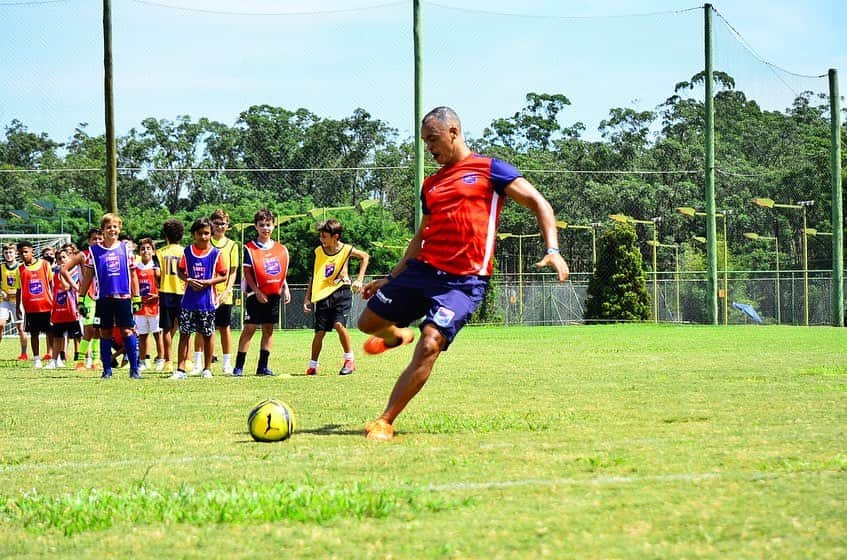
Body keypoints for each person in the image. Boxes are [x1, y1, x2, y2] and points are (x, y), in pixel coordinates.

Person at [357, 106, 570, 442]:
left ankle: (385, 420)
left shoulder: (491, 170)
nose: (429, 147)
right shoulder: (432, 185)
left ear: (453, 131)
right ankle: (396, 336)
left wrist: (553, 249)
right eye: (425, 142)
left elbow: (539, 203)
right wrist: (393, 276)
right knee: (367, 323)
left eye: (433, 139)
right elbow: (421, 235)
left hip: (463, 282)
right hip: (422, 271)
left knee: (430, 342)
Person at [77, 213, 142, 379]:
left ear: (119, 229)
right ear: (103, 230)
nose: (112, 230)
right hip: (103, 298)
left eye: (115, 227)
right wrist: (81, 298)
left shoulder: (126, 249)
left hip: (123, 297)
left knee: (127, 331)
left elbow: (133, 275)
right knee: (105, 332)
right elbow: (87, 276)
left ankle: (134, 370)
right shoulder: (94, 251)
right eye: (108, 227)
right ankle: (106, 370)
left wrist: (137, 297)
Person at [303, 219, 370, 376]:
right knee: (319, 332)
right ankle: (312, 365)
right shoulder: (319, 252)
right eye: (320, 236)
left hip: (342, 291)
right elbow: (316, 275)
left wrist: (359, 279)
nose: (322, 239)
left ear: (336, 236)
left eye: (324, 236)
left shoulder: (346, 250)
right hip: (323, 294)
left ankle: (349, 361)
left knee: (339, 325)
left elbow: (365, 257)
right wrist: (308, 297)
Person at [232, 208, 291, 377]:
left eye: (269, 225)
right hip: (255, 295)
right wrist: (257, 291)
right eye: (262, 225)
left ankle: (262, 367)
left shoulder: (281, 249)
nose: (265, 228)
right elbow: (247, 273)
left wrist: (285, 287)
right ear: (256, 227)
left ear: (274, 226)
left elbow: (281, 272)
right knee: (249, 328)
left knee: (268, 329)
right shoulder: (250, 248)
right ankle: (239, 367)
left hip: (274, 294)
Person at [169, 218, 227, 380]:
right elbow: (180, 271)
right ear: (194, 234)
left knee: (208, 334)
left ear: (211, 234)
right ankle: (181, 369)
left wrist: (208, 282)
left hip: (207, 302)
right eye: (200, 233)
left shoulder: (216, 254)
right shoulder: (187, 252)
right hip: (188, 301)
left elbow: (223, 275)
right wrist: (187, 280)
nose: (203, 237)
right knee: (185, 334)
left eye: (206, 233)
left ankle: (207, 368)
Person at [190, 208, 239, 375]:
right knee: (201, 328)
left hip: (223, 293)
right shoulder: (205, 243)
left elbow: (232, 271)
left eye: (223, 223)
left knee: (224, 327)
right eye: (216, 223)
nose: (220, 227)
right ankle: (198, 362)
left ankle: (227, 363)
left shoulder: (232, 246)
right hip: (204, 293)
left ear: (227, 225)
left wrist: (227, 290)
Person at [62, 228, 104, 370]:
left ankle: (96, 360)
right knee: (89, 328)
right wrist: (76, 287)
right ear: (89, 241)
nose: (97, 241)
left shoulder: (105, 254)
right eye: (94, 239)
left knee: (98, 329)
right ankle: (80, 360)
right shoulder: (82, 255)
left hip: (101, 296)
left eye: (100, 238)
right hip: (87, 297)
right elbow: (64, 269)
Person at [14, 241, 54, 369]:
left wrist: (55, 302)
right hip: (30, 308)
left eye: (25, 251)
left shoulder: (45, 265)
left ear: (32, 252)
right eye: (20, 253)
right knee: (34, 333)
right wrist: (17, 307)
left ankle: (52, 357)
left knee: (50, 332)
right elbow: (19, 290)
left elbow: (52, 284)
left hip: (47, 305)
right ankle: (36, 359)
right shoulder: (19, 269)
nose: (23, 254)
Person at [157, 219, 186, 373]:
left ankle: (168, 361)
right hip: (183, 292)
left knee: (166, 329)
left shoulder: (161, 252)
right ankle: (186, 360)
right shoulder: (185, 252)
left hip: (165, 291)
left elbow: (157, 274)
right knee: (185, 328)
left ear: (166, 235)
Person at [45, 249, 82, 369]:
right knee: (58, 336)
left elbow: (66, 287)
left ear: (70, 258)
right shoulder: (55, 272)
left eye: (64, 257)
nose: (62, 260)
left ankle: (84, 360)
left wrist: (62, 273)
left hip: (72, 309)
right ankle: (54, 360)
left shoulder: (75, 271)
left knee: (78, 336)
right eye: (59, 258)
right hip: (59, 308)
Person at [134, 237, 164, 371]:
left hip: (154, 307)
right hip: (141, 308)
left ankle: (161, 359)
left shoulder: (156, 269)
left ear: (153, 251)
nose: (145, 251)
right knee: (142, 335)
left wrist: (157, 296)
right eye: (142, 249)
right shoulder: (135, 269)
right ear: (139, 252)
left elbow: (163, 288)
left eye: (148, 248)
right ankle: (142, 361)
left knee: (158, 334)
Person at [0, 242, 28, 360]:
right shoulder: (1, 267)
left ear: (16, 254)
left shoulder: (22, 267)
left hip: (18, 301)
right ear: (3, 254)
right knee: (0, 324)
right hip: (4, 301)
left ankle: (23, 353)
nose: (8, 255)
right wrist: (2, 292)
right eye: (6, 252)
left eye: (10, 252)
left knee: (20, 328)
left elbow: (26, 284)